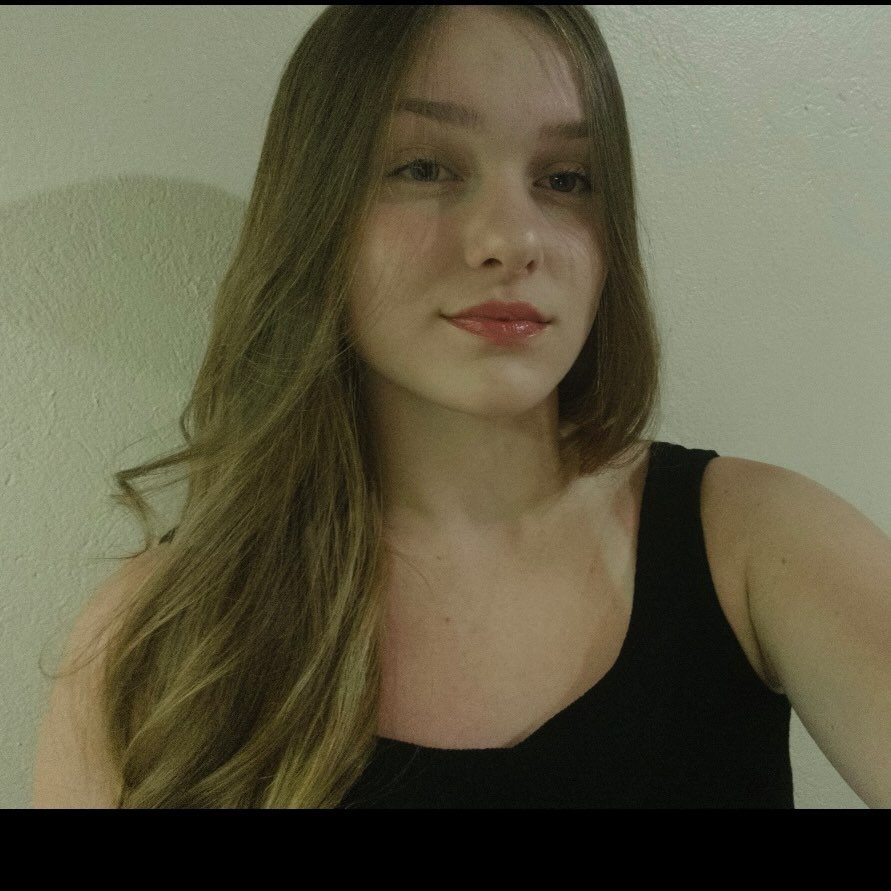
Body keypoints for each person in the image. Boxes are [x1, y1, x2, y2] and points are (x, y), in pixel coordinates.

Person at [33, 5, 891, 808]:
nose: (511, 239)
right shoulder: (160, 632)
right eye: (423, 168)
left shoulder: (755, 543)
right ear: (316, 213)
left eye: (565, 178)